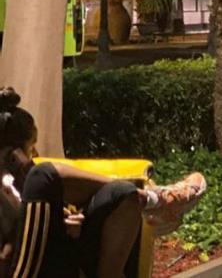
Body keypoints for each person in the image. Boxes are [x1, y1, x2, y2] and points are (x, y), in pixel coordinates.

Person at [0, 88, 205, 278]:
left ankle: (144, 196)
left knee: (122, 194)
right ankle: (153, 197)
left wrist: (65, 223)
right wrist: (19, 228)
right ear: (12, 155)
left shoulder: (16, 185)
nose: (34, 154)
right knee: (42, 175)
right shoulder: (27, 183)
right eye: (30, 147)